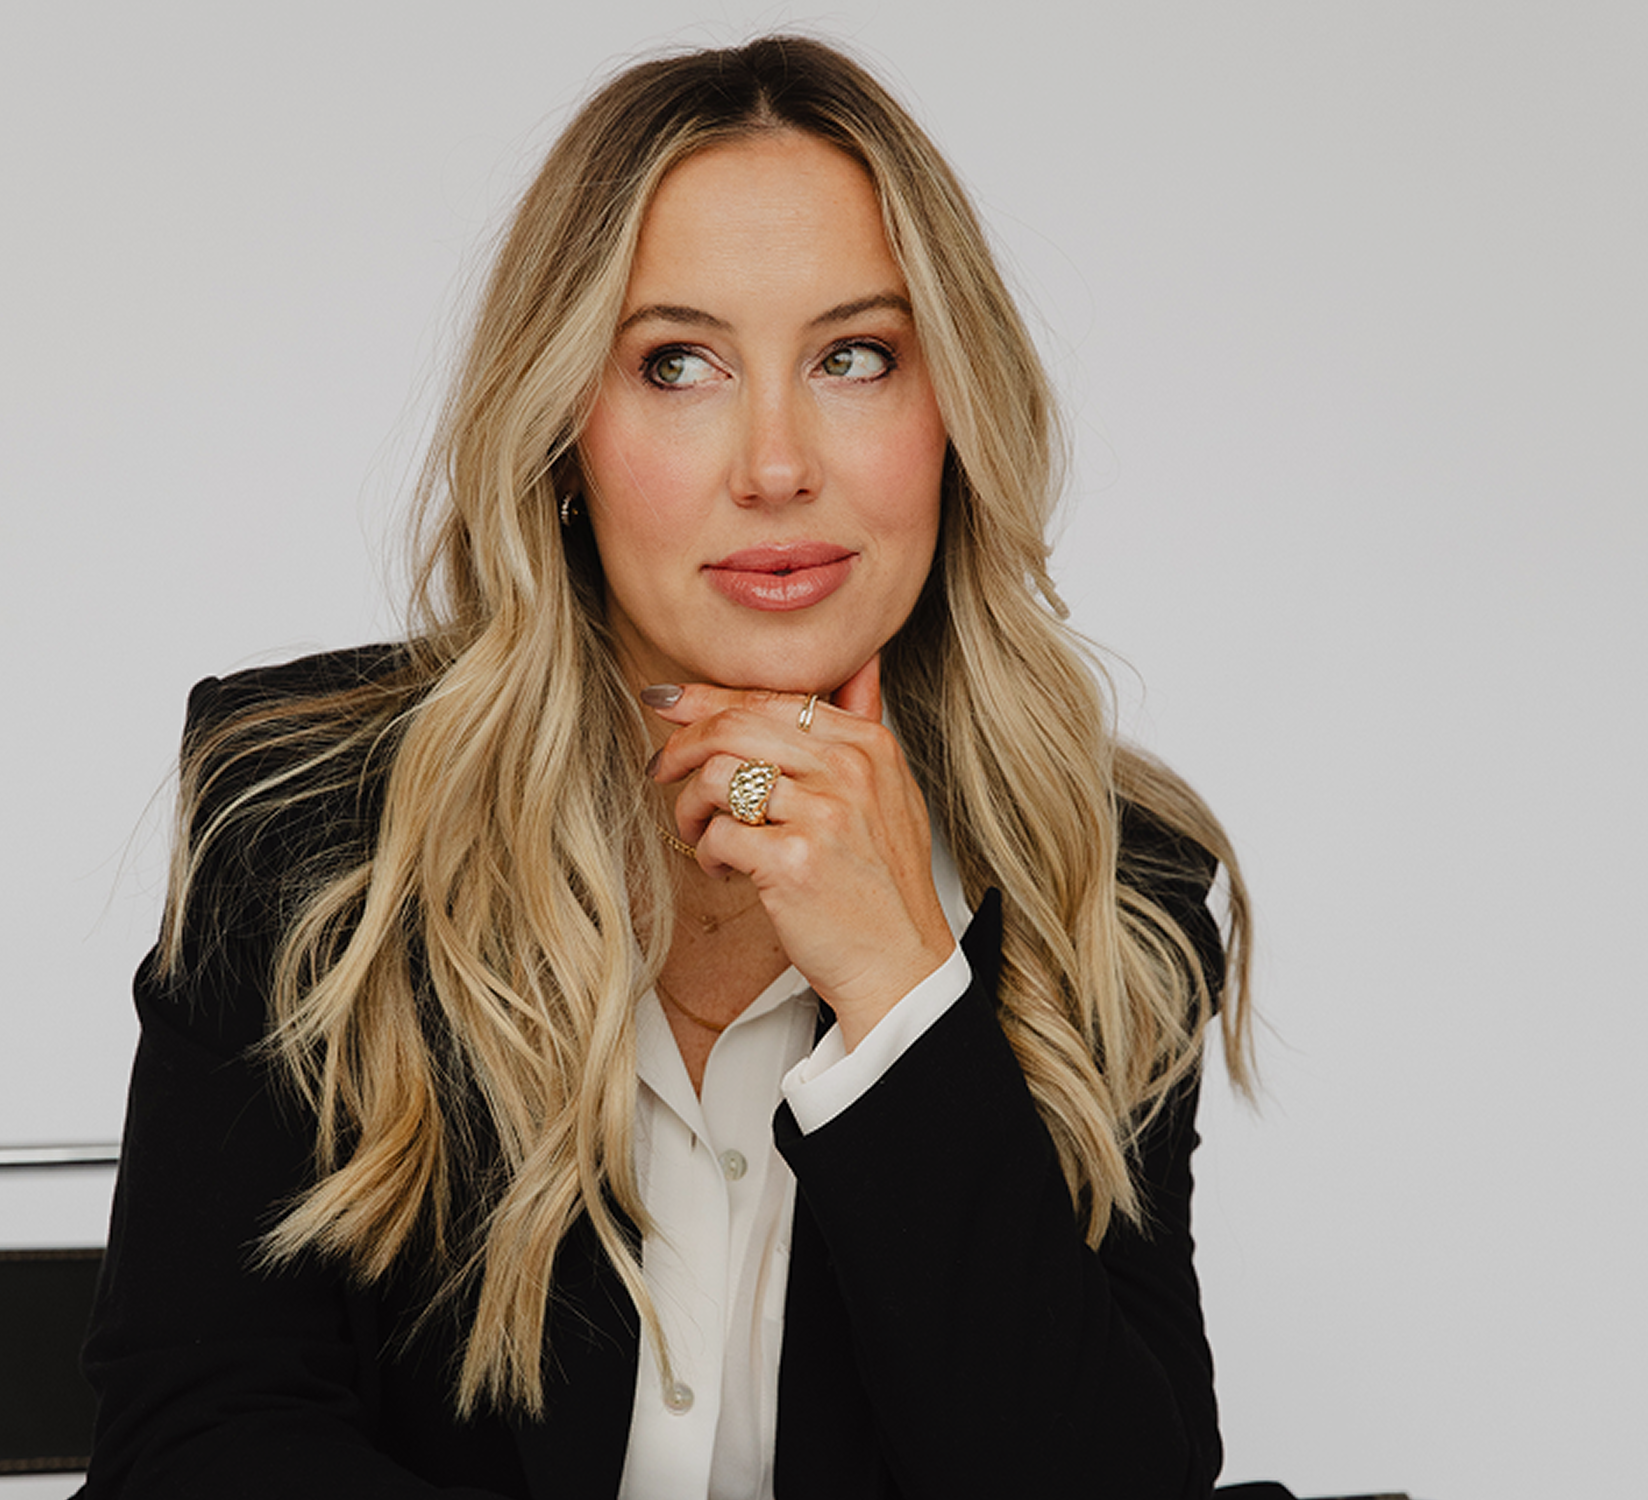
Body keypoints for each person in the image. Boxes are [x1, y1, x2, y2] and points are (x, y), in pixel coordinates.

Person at [77, 33, 1254, 1500]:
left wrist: (902, 1002)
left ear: (952, 418)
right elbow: (197, 1450)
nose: (775, 464)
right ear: (567, 430)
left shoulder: (1114, 892)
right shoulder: (309, 824)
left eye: (856, 356)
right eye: (679, 363)